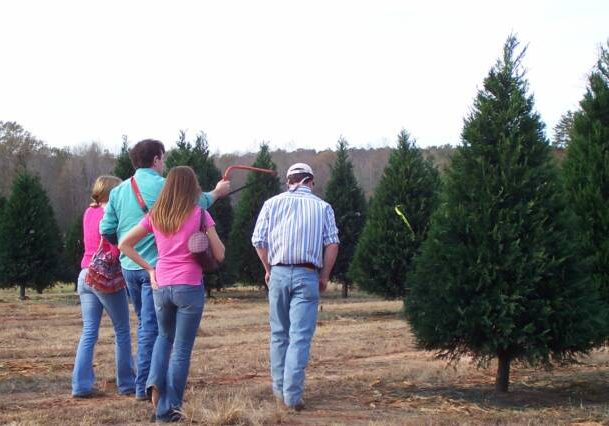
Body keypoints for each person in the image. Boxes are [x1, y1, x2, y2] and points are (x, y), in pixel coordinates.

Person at [100, 139, 230, 401]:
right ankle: (162, 404)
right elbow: (218, 248)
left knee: (158, 335)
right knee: (173, 344)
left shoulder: (131, 199)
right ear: (157, 159)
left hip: (145, 274)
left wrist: (146, 266)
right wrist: (217, 193)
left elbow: (114, 236)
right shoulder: (191, 207)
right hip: (178, 281)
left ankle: (153, 389)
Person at [119, 166, 225, 422]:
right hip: (189, 286)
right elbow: (220, 254)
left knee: (163, 337)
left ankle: (155, 382)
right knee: (181, 348)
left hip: (161, 285)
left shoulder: (157, 214)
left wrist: (150, 269)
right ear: (193, 187)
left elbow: (124, 244)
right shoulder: (200, 214)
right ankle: (168, 409)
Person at [251, 162, 339, 411]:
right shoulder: (323, 207)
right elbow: (332, 243)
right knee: (300, 336)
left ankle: (279, 392)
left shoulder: (271, 204)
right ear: (310, 181)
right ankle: (292, 396)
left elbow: (258, 240)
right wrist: (324, 276)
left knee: (279, 334)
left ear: (289, 181)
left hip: (278, 273)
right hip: (307, 274)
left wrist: (268, 269)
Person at [72, 175, 135, 398]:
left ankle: (80, 385)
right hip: (104, 277)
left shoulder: (89, 212)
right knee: (122, 330)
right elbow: (116, 247)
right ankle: (127, 383)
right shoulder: (112, 215)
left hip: (85, 274)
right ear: (113, 193)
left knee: (89, 331)